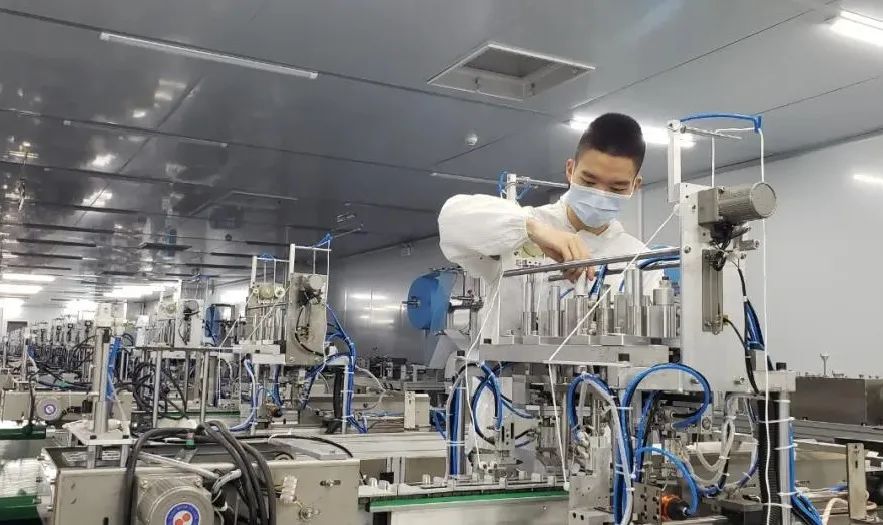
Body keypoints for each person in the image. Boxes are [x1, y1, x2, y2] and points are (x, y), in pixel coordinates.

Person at [438, 112, 661, 294]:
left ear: (635, 185)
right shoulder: (529, 224)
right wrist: (532, 230)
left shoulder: (640, 259)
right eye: (589, 181)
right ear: (570, 170)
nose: (600, 195)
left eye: (616, 188)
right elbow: (451, 221)